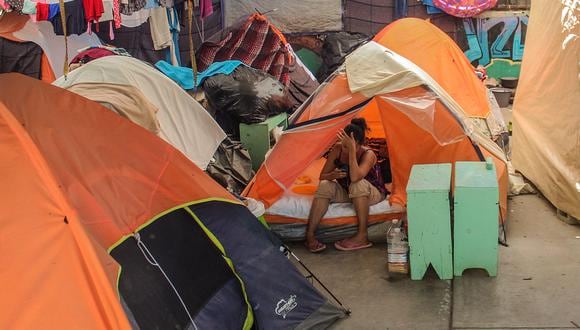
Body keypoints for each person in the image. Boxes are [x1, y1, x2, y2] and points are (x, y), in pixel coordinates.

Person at [305, 118, 387, 253]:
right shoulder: (337, 150)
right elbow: (322, 176)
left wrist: (352, 152)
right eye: (343, 146)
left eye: (348, 146)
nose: (344, 149)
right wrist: (332, 176)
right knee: (325, 185)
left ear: (360, 145)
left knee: (357, 184)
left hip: (373, 193)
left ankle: (362, 235)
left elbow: (355, 177)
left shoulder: (369, 154)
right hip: (348, 191)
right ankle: (310, 235)